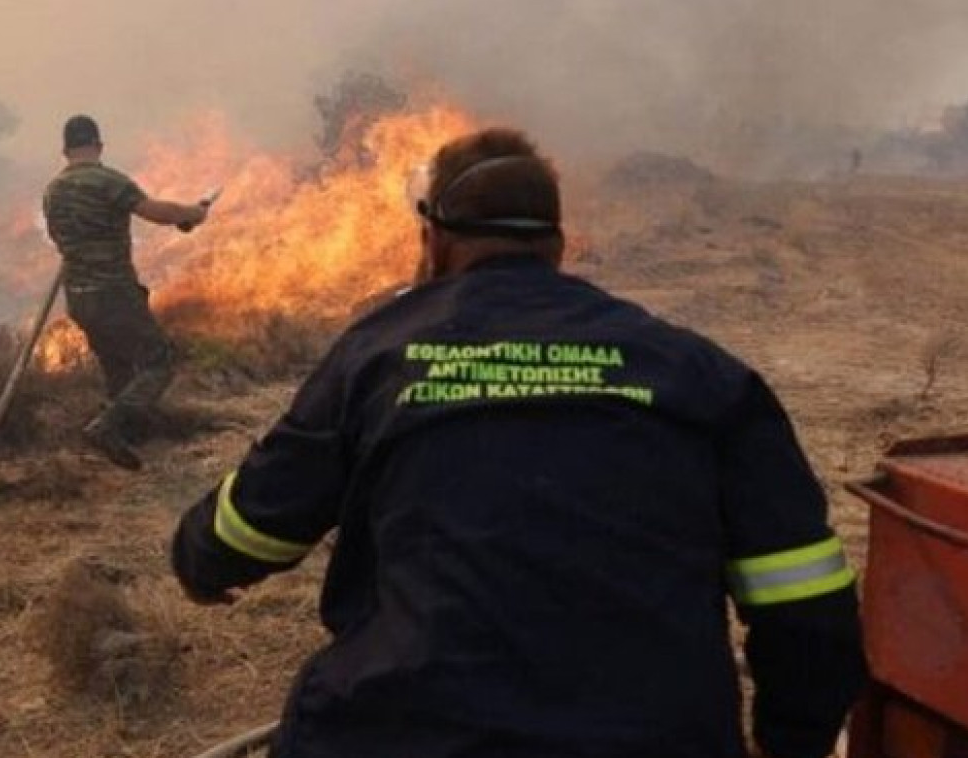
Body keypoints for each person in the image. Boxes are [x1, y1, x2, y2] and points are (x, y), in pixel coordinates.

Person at [171, 126, 866, 758]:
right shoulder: (696, 372)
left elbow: (251, 527)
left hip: (402, 731)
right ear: (558, 246)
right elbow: (805, 601)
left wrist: (200, 562)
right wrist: (793, 742)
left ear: (434, 241)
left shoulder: (380, 355)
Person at [43, 114, 211, 471]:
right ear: (98, 145)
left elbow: (63, 238)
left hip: (79, 297)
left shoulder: (52, 192)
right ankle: (106, 427)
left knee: (117, 367)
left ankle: (126, 436)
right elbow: (155, 211)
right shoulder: (107, 181)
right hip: (113, 294)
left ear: (65, 150)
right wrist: (193, 213)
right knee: (159, 361)